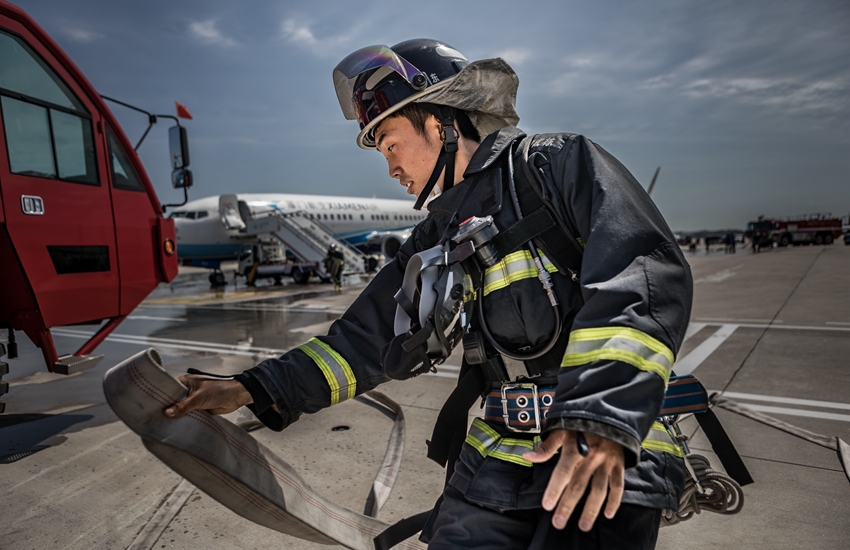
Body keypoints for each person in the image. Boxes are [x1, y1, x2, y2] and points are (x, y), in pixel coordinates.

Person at [164, 39, 693, 549]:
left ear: (440, 124)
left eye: (392, 144)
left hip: (603, 448)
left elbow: (640, 274)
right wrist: (252, 387)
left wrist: (602, 415)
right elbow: (363, 342)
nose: (390, 166)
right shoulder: (436, 235)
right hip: (500, 459)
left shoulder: (554, 166)